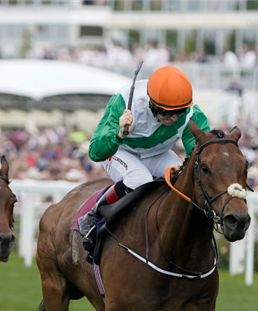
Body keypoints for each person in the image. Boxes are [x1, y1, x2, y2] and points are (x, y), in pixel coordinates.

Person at [77, 65, 211, 241]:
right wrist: (119, 134)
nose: (175, 118)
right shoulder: (124, 100)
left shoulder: (190, 113)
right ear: (151, 103)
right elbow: (95, 152)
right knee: (141, 180)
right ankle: (93, 215)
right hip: (120, 151)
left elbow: (202, 154)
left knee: (184, 178)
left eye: (180, 112)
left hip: (157, 154)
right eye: (168, 113)